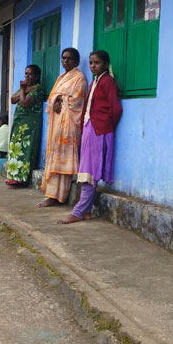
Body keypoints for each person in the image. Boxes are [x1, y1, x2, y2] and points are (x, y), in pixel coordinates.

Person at [59, 50, 122, 224]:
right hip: (89, 128)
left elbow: (116, 109)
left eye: (97, 63)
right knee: (86, 170)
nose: (93, 66)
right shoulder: (96, 81)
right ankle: (85, 210)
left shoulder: (107, 82)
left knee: (89, 171)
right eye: (91, 63)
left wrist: (106, 126)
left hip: (98, 130)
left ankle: (78, 211)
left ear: (105, 64)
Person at [38, 48, 88, 207]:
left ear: (76, 62)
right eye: (63, 58)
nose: (66, 61)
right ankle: (51, 194)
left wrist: (61, 99)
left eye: (70, 59)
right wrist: (57, 99)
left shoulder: (79, 78)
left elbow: (78, 100)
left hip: (68, 125)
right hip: (57, 124)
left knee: (63, 160)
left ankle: (59, 196)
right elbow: (52, 97)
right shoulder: (61, 77)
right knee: (55, 157)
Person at [5, 65, 44, 187]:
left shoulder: (37, 88)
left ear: (36, 76)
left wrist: (23, 90)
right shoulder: (25, 87)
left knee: (26, 148)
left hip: (30, 122)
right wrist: (23, 90)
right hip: (19, 121)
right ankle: (13, 175)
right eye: (26, 73)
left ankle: (21, 178)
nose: (27, 76)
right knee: (15, 147)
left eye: (30, 74)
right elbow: (12, 99)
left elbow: (24, 102)